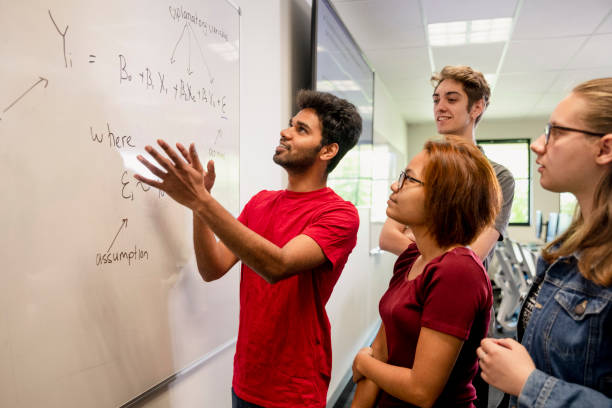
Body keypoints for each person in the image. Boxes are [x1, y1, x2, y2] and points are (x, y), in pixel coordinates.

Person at [134, 90, 362, 408]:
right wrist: (199, 207)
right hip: (246, 379)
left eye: (301, 129)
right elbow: (212, 268)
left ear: (328, 150)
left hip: (294, 389)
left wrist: (202, 201)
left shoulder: (339, 214)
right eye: (290, 124)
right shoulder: (260, 203)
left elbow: (278, 265)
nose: (285, 132)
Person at [477, 78, 612, 407]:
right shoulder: (564, 254)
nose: (537, 145)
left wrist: (527, 383)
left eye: (556, 132)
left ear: (605, 149)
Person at [351, 138, 501, 408]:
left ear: (444, 197)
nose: (395, 186)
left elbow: (421, 391)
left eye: (408, 179)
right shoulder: (412, 257)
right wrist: (369, 363)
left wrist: (363, 362)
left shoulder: (458, 271)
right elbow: (381, 350)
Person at [379, 65, 514, 270]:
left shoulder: (498, 177)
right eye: (436, 100)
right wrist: (444, 252)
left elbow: (472, 256)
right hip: (416, 284)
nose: (439, 107)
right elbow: (388, 237)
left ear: (477, 107)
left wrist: (414, 235)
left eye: (451, 100)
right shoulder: (424, 165)